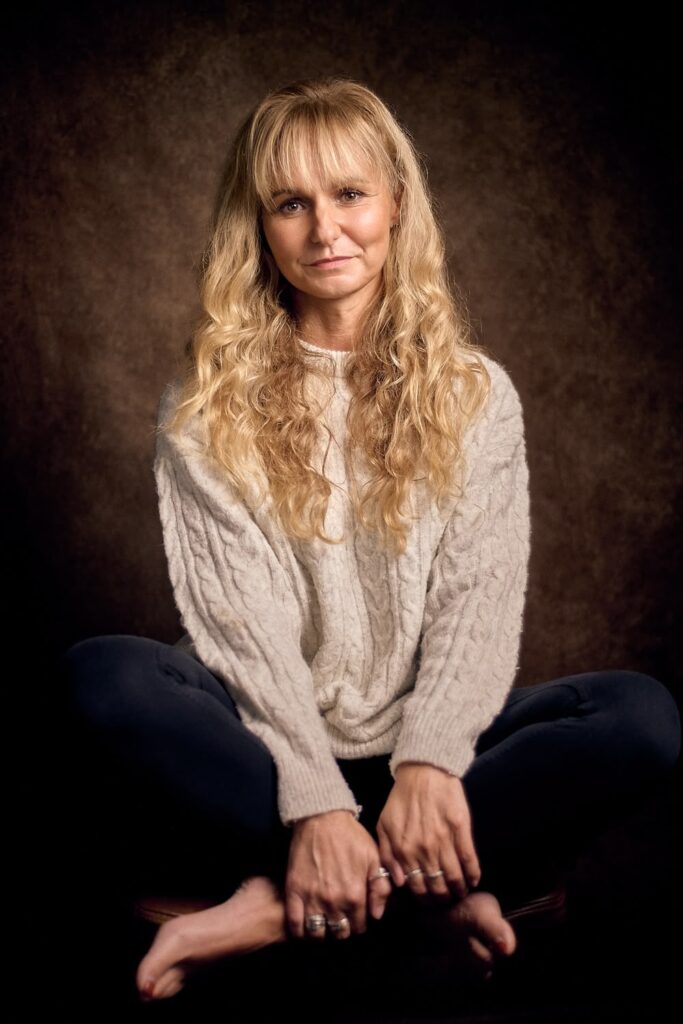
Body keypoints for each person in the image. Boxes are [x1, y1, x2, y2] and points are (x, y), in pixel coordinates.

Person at [62, 77, 681, 1005]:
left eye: (349, 193)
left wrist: (429, 762)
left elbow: (475, 603)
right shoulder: (200, 405)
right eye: (290, 204)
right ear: (258, 226)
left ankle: (277, 905)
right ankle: (420, 892)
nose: (325, 230)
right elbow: (241, 632)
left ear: (395, 202)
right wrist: (314, 802)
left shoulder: (476, 395)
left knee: (639, 717)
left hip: (427, 749)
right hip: (264, 746)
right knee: (104, 677)